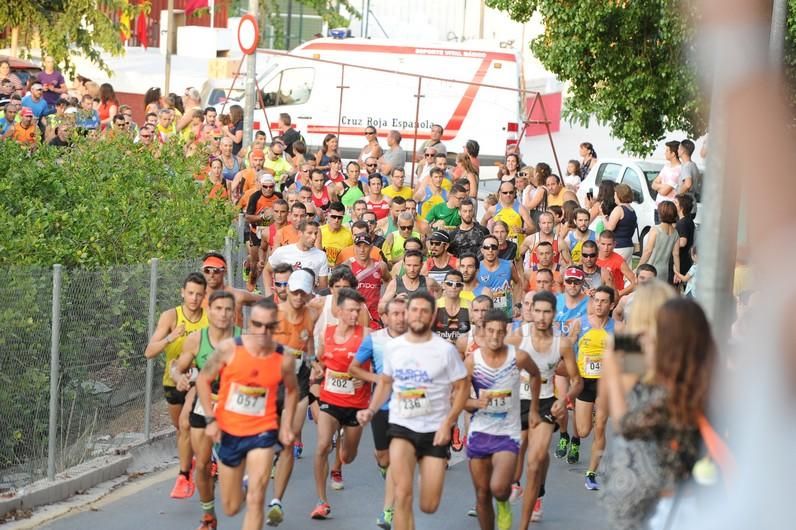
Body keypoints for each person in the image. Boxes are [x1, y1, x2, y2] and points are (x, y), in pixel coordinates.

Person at [600, 289, 714, 530]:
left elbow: (622, 418)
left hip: (652, 485)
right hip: (669, 487)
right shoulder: (698, 371)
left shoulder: (634, 351)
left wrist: (613, 369)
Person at [357, 291, 469, 530]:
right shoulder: (394, 348)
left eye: (424, 311)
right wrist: (372, 409)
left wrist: (448, 422)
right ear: (407, 314)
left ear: (432, 318)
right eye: (414, 310)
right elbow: (386, 382)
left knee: (429, 505)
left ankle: (426, 469)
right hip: (402, 428)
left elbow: (461, 388)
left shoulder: (445, 350)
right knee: (403, 493)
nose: (418, 315)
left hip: (433, 431)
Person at [195, 299, 297, 530]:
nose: (263, 332)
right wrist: (210, 419)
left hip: (263, 430)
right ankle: (242, 485)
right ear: (250, 323)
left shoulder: (284, 358)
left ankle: (252, 486)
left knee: (256, 498)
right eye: (258, 325)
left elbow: (292, 391)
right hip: (229, 431)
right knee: (231, 507)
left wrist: (286, 425)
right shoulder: (229, 349)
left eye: (269, 327)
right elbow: (203, 379)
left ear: (276, 327)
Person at [466, 309, 543, 530]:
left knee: (499, 487)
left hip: (507, 433)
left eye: (500, 332)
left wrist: (535, 408)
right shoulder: (472, 362)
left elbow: (536, 375)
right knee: (482, 494)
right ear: (483, 330)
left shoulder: (518, 357)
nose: (495, 337)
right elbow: (458, 399)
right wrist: (474, 403)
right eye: (490, 331)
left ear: (506, 332)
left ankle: (503, 504)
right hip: (480, 431)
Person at [510, 292, 582, 526]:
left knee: (536, 458)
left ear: (554, 313)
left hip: (545, 402)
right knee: (519, 450)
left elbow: (577, 380)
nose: (541, 317)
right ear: (531, 311)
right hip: (517, 401)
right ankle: (518, 484)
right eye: (537, 311)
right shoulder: (519, 336)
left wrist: (566, 399)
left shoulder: (562, 343)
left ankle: (534, 502)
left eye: (547, 312)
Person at [171, 290, 240, 530]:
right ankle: (208, 515)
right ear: (208, 311)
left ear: (234, 314)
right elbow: (178, 368)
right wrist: (180, 378)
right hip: (206, 404)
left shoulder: (242, 339)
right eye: (218, 309)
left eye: (228, 309)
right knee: (201, 464)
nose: (223, 314)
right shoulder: (197, 339)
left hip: (234, 408)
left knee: (230, 462)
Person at [144, 272, 208, 499]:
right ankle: (192, 460)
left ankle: (186, 475)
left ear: (204, 296)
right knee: (181, 428)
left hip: (197, 382)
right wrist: (171, 338)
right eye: (190, 293)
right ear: (182, 292)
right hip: (172, 382)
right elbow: (149, 352)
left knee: (187, 424)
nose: (194, 298)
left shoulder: (209, 318)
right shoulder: (171, 316)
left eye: (199, 294)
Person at [348, 297, 408, 529]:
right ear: (385, 317)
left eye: (404, 313)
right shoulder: (374, 340)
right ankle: (387, 472)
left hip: (406, 410)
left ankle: (388, 511)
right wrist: (377, 379)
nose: (400, 318)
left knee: (397, 461)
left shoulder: (418, 340)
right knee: (383, 457)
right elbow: (353, 368)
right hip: (381, 406)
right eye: (395, 314)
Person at [311, 288, 370, 519]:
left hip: (356, 404)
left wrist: (363, 376)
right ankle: (321, 501)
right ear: (339, 311)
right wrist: (316, 372)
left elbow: (377, 366)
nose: (355, 315)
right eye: (351, 310)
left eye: (358, 310)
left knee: (348, 455)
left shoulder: (367, 335)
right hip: (330, 399)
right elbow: (321, 362)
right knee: (323, 445)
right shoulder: (327, 333)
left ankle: (342, 457)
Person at [266, 269, 317, 525]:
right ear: (287, 291)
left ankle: (277, 501)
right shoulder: (272, 316)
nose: (298, 296)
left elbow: (309, 350)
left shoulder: (312, 315)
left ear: (308, 293)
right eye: (295, 291)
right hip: (272, 384)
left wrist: (314, 363)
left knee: (289, 440)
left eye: (303, 292)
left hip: (299, 382)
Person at [567, 286, 617, 490]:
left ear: (612, 305)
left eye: (604, 301)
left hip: (605, 384)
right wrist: (572, 376)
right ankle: (576, 436)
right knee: (583, 430)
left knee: (600, 427)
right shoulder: (580, 323)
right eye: (596, 300)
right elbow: (568, 350)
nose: (599, 304)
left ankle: (591, 473)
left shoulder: (618, 328)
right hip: (584, 381)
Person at [265, 220, 329, 293]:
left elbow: (323, 288)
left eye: (315, 233)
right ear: (300, 234)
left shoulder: (321, 256)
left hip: (307, 301)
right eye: (310, 233)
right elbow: (267, 270)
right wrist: (268, 292)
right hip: (286, 300)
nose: (314, 237)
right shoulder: (282, 251)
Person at [344, 233, 391, 328]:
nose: (362, 250)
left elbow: (389, 281)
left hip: (375, 317)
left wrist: (385, 300)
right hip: (354, 316)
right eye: (359, 246)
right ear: (354, 247)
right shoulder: (347, 265)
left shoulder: (380, 266)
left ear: (371, 247)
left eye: (365, 246)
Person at [478, 234, 524, 317]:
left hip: (505, 314)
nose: (490, 250)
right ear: (482, 250)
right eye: (487, 247)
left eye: (494, 247)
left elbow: (518, 283)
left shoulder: (509, 266)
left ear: (498, 249)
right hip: (484, 315)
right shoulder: (476, 268)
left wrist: (517, 305)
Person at [639, 201, 679, 281]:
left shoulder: (655, 229)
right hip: (664, 271)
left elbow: (648, 251)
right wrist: (677, 273)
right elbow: (676, 254)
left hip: (650, 269)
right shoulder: (676, 233)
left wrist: (639, 266)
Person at [432, 270, 470, 344]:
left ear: (462, 287)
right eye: (449, 283)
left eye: (458, 284)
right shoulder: (434, 306)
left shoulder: (470, 306)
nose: (453, 287)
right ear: (443, 285)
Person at [596, 230, 637, 300]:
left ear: (614, 244)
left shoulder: (619, 260)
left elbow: (635, 282)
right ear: (598, 243)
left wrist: (619, 293)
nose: (606, 248)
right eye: (603, 244)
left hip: (612, 300)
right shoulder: (591, 257)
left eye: (609, 244)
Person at [604, 184, 638, 264]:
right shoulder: (632, 210)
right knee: (624, 273)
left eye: (615, 194)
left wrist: (603, 218)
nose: (614, 197)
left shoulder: (619, 209)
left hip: (618, 246)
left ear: (619, 195)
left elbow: (609, 228)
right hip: (628, 245)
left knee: (614, 271)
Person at [651, 140, 681, 213]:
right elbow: (653, 184)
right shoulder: (666, 166)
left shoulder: (679, 169)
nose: (665, 153)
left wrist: (659, 186)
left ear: (673, 154)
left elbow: (664, 192)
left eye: (667, 151)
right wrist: (664, 185)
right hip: (658, 207)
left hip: (668, 210)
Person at [673, 194, 695, 285]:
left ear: (681, 207)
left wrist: (670, 243)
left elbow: (682, 242)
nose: (673, 204)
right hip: (686, 258)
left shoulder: (682, 223)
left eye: (675, 202)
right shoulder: (688, 220)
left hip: (681, 259)